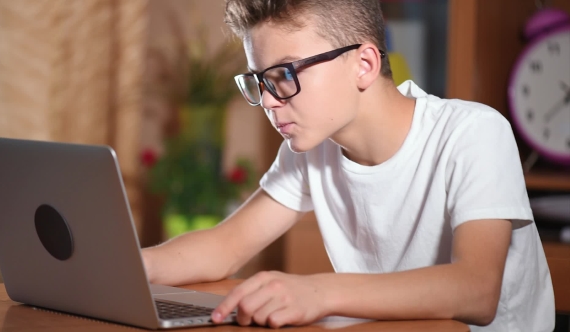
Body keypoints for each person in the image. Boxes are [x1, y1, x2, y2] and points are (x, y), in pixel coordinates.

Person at [142, 1, 555, 331]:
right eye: (261, 81)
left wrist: (319, 292)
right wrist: (126, 266)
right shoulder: (312, 147)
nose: (268, 101)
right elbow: (224, 246)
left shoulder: (473, 133)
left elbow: (476, 292)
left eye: (284, 74)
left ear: (364, 64)